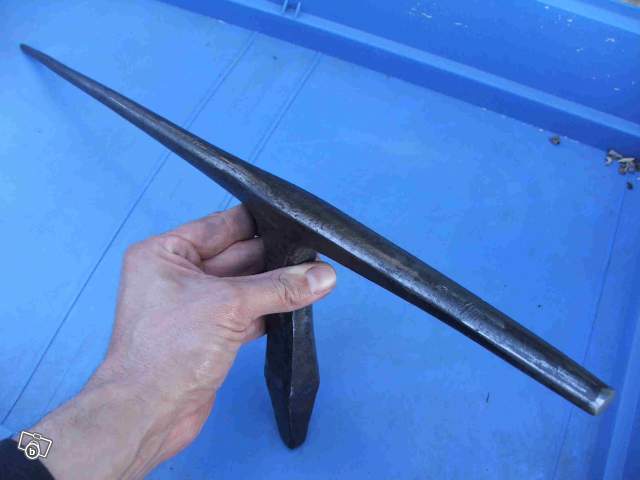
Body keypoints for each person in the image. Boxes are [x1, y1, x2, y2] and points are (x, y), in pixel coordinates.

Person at [0, 205, 337, 479]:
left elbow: (28, 455)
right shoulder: (31, 451)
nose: (34, 445)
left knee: (35, 444)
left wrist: (134, 390)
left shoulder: (29, 448)